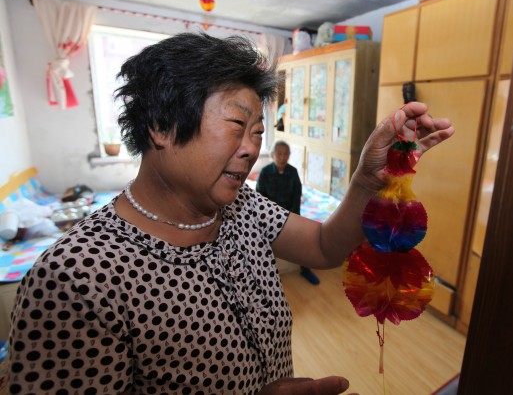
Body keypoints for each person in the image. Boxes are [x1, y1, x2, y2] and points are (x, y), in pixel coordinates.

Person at [7, 32, 454, 395]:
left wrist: (367, 180)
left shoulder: (243, 207)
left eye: (258, 132)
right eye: (238, 125)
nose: (251, 149)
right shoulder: (75, 278)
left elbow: (323, 246)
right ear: (160, 126)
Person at [256, 140, 320, 285]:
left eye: (286, 154)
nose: (282, 157)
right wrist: (270, 219)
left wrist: (292, 219)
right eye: (279, 154)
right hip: (270, 216)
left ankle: (305, 270)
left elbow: (297, 196)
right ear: (272, 155)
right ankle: (265, 275)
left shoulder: (293, 172)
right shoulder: (265, 172)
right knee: (260, 239)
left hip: (290, 215)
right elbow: (259, 199)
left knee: (305, 237)